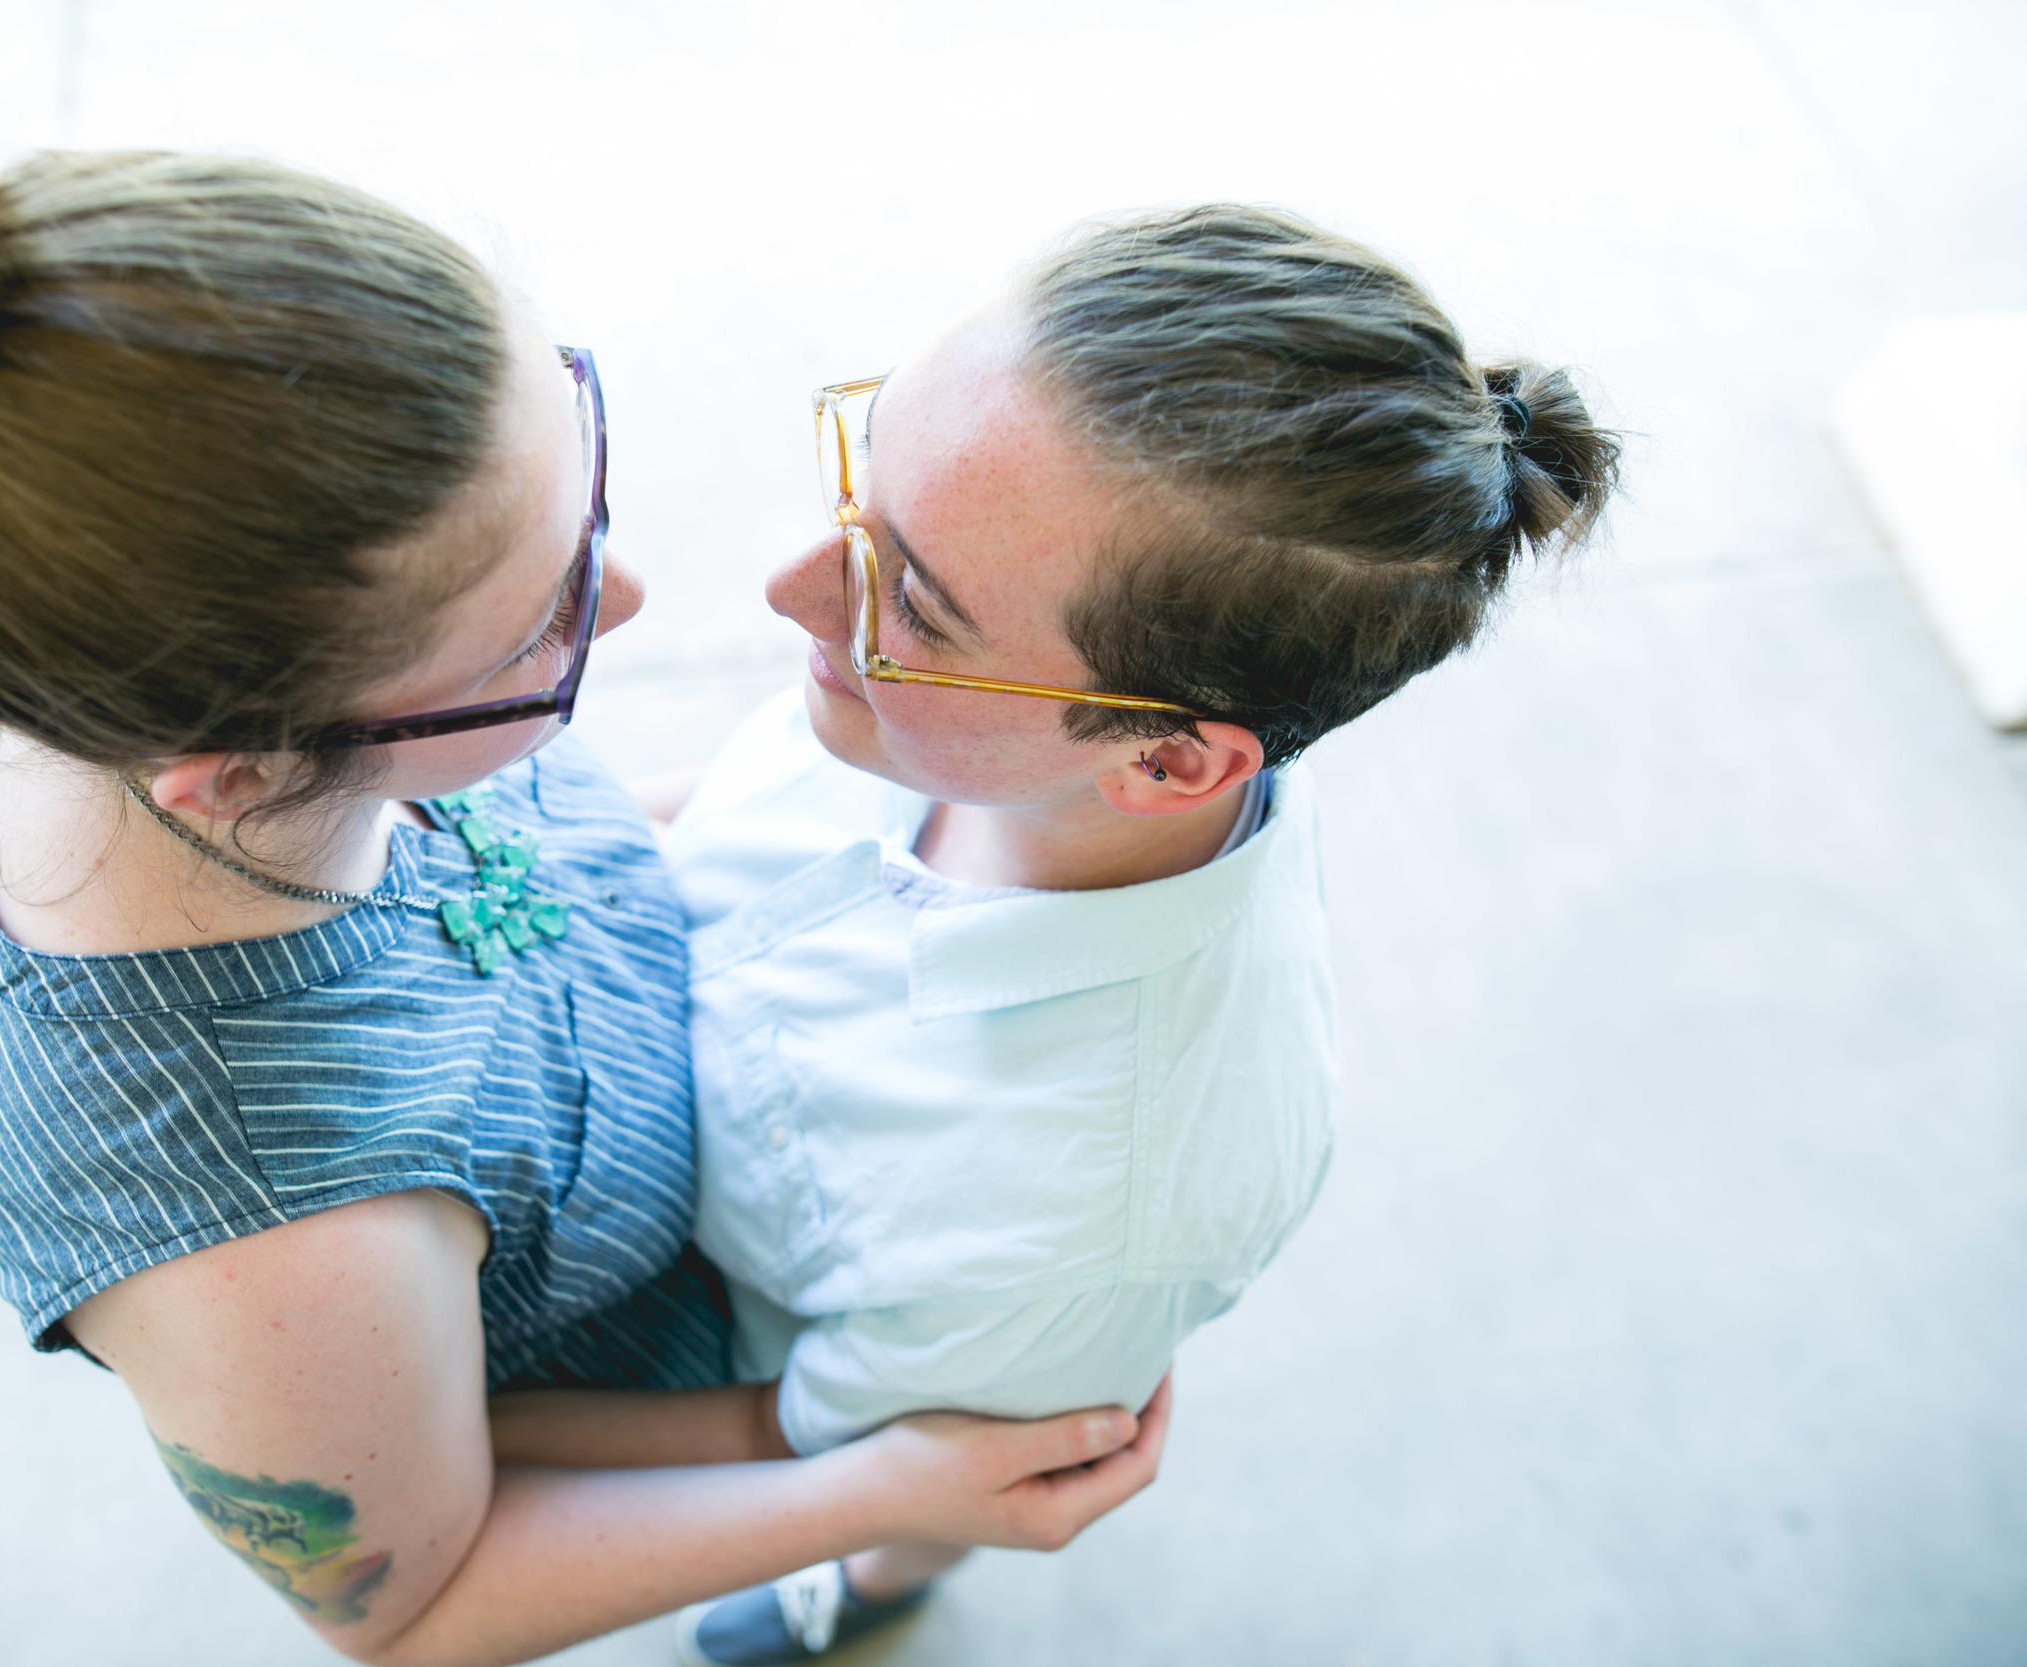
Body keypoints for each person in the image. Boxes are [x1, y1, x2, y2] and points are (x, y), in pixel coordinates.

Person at [0, 34, 1170, 1667]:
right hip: (692, 1393)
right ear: (234, 773)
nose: (632, 595)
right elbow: (421, 1600)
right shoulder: (252, 1234)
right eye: (549, 623)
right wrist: (892, 1482)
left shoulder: (144, 646)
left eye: (576, 499)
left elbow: (515, 865)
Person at [642, 206, 1622, 1663]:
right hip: (687, 1124)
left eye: (911, 599)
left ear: (1165, 764)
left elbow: (866, 1445)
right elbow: (721, 816)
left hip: (804, 1361)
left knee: (900, 1513)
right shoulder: (935, 720)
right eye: (867, 473)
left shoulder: (1082, 1214)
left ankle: (866, 1597)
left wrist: (425, 1435)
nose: (795, 583)